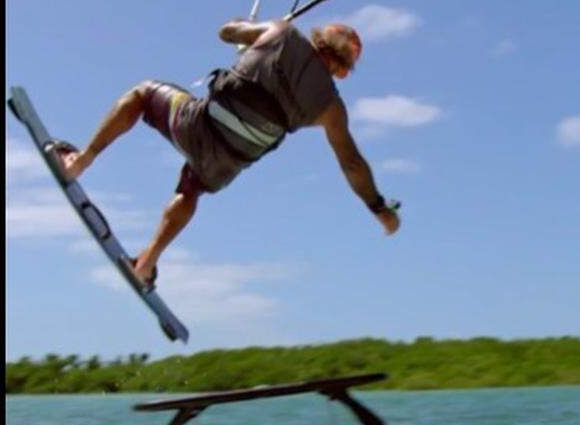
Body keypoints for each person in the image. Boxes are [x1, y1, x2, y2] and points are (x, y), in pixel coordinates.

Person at [49, 19, 399, 287]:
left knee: (142, 93)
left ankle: (79, 162)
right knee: (192, 187)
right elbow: (351, 163)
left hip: (199, 126)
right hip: (227, 163)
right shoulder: (330, 108)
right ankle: (146, 263)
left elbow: (226, 31)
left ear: (317, 37)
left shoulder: (282, 32)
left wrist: (248, 35)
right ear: (341, 69)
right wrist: (378, 208)